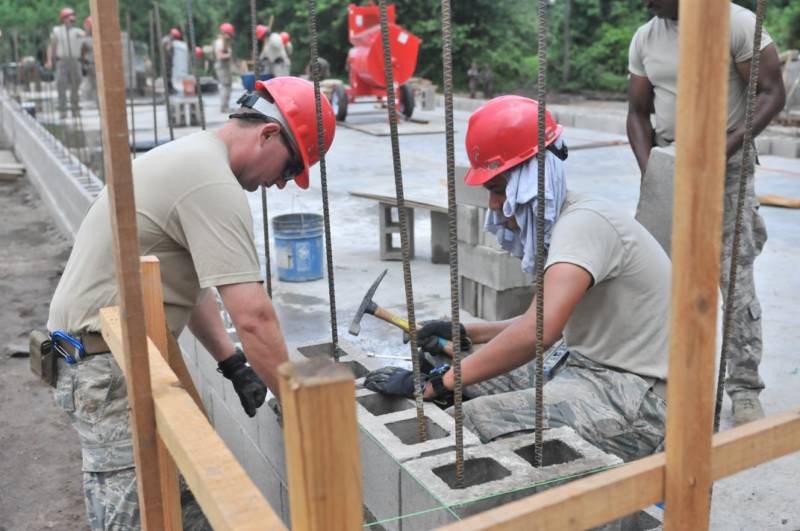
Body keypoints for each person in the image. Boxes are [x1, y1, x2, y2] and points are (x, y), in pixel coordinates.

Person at [47, 77, 336, 530]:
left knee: (187, 506)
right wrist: (305, 411)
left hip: (108, 357)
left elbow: (184, 278)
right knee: (137, 514)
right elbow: (255, 318)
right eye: (288, 168)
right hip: (105, 366)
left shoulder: (193, 156)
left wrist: (231, 361)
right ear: (267, 134)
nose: (279, 185)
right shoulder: (211, 183)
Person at [365, 96, 670, 463]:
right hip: (584, 366)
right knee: (448, 353)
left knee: (475, 417)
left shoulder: (582, 224)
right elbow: (537, 321)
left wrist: (439, 383)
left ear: (530, 181)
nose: (494, 205)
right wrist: (466, 331)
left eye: (498, 189)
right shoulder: (566, 225)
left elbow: (537, 333)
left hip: (638, 398)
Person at [626, 0, 786, 426]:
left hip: (728, 167)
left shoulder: (736, 23)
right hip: (668, 166)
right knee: (660, 276)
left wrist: (720, 152)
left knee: (734, 279)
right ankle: (665, 382)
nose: (644, 2)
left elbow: (772, 93)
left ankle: (744, 389)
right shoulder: (646, 36)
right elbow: (637, 114)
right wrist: (654, 171)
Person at [46, 7, 85, 119]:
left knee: (76, 84)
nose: (72, 20)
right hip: (62, 61)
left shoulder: (77, 31)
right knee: (61, 85)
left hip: (75, 61)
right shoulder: (57, 31)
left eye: (72, 18)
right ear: (63, 19)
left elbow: (87, 37)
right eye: (69, 18)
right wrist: (49, 60)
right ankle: (63, 111)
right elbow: (51, 46)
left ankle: (75, 109)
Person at [214, 22, 235, 112]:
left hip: (225, 67)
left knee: (228, 85)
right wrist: (229, 55)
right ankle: (224, 107)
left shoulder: (224, 42)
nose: (230, 36)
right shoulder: (219, 42)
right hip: (222, 66)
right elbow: (219, 56)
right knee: (225, 86)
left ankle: (226, 105)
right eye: (229, 34)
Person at [79, 16, 96, 103]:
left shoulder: (96, 38)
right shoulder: (85, 40)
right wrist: (83, 65)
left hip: (95, 65)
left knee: (95, 84)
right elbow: (83, 53)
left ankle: (94, 100)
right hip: (89, 64)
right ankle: (85, 100)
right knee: (88, 83)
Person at [161, 27, 181, 94]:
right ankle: (169, 89)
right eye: (175, 37)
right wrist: (170, 59)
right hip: (167, 61)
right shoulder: (168, 41)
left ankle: (170, 88)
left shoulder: (166, 39)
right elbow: (168, 51)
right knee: (168, 75)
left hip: (166, 60)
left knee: (168, 75)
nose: (175, 39)